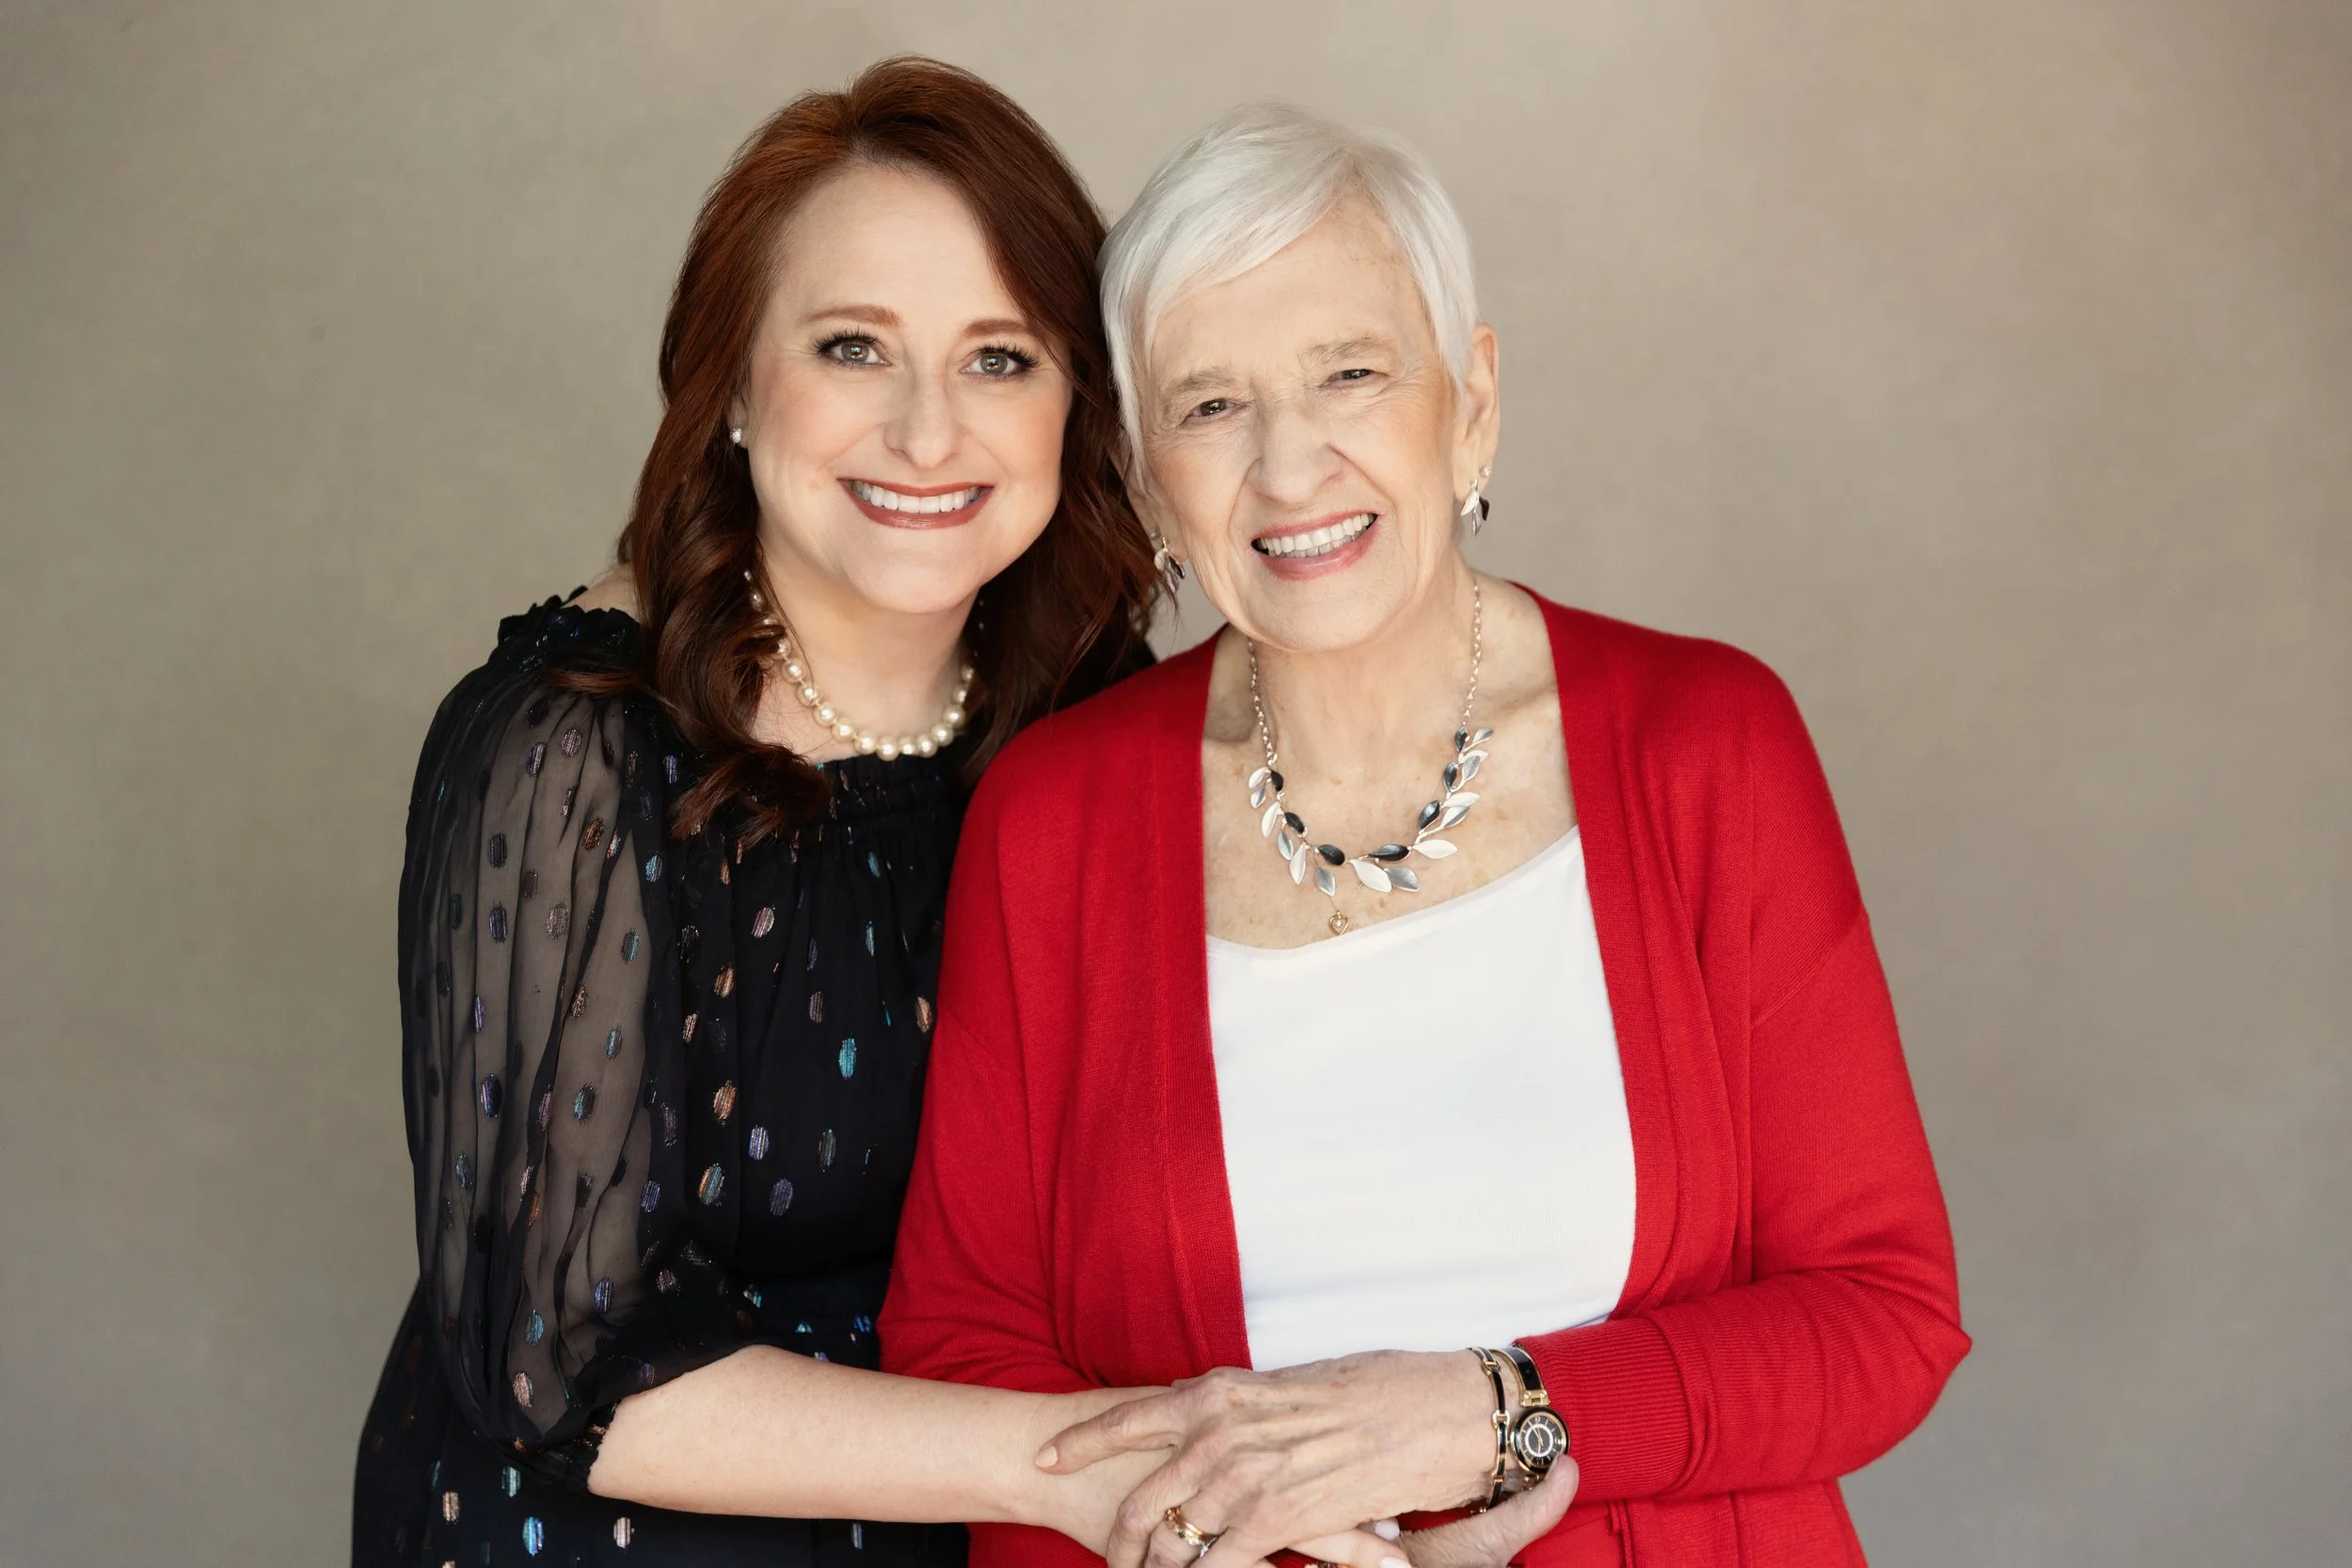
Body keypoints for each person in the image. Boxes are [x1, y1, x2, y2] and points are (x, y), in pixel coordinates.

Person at [353, 58, 1561, 1568]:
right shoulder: (574, 753)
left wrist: (1375, 1486)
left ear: (1083, 410)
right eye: (854, 347)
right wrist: (1094, 1471)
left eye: (1000, 357)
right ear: (732, 386)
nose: (929, 432)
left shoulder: (1092, 726)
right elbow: (561, 1360)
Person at [880, 103, 1971, 1568]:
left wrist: (1486, 1412)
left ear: (1472, 402)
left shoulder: (1707, 745)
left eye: (1351, 373)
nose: (1289, 466)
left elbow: (1883, 1313)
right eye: (1211, 405)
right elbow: (968, 1342)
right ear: (1142, 481)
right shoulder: (1051, 822)